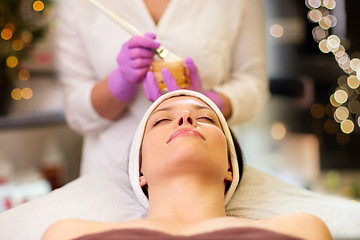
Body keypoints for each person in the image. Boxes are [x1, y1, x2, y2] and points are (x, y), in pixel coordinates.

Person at [41, 90, 331, 240]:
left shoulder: (301, 229)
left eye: (205, 118)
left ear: (231, 166)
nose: (185, 119)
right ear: (139, 170)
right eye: (162, 120)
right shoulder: (67, 234)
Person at [55, 0, 269, 175]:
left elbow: (254, 88)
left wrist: (205, 102)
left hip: (206, 172)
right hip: (110, 172)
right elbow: (76, 111)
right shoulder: (78, 4)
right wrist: (119, 83)